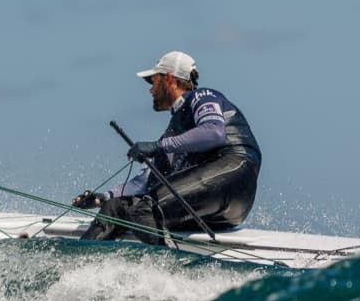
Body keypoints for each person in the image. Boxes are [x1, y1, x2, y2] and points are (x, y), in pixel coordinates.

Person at [73, 50, 262, 244]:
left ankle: (165, 269)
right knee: (115, 209)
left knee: (145, 209)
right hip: (204, 202)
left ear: (169, 78)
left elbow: (214, 132)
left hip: (234, 179)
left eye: (153, 81)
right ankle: (80, 262)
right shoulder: (173, 133)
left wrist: (158, 146)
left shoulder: (202, 96)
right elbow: (144, 183)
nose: (150, 89)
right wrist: (100, 198)